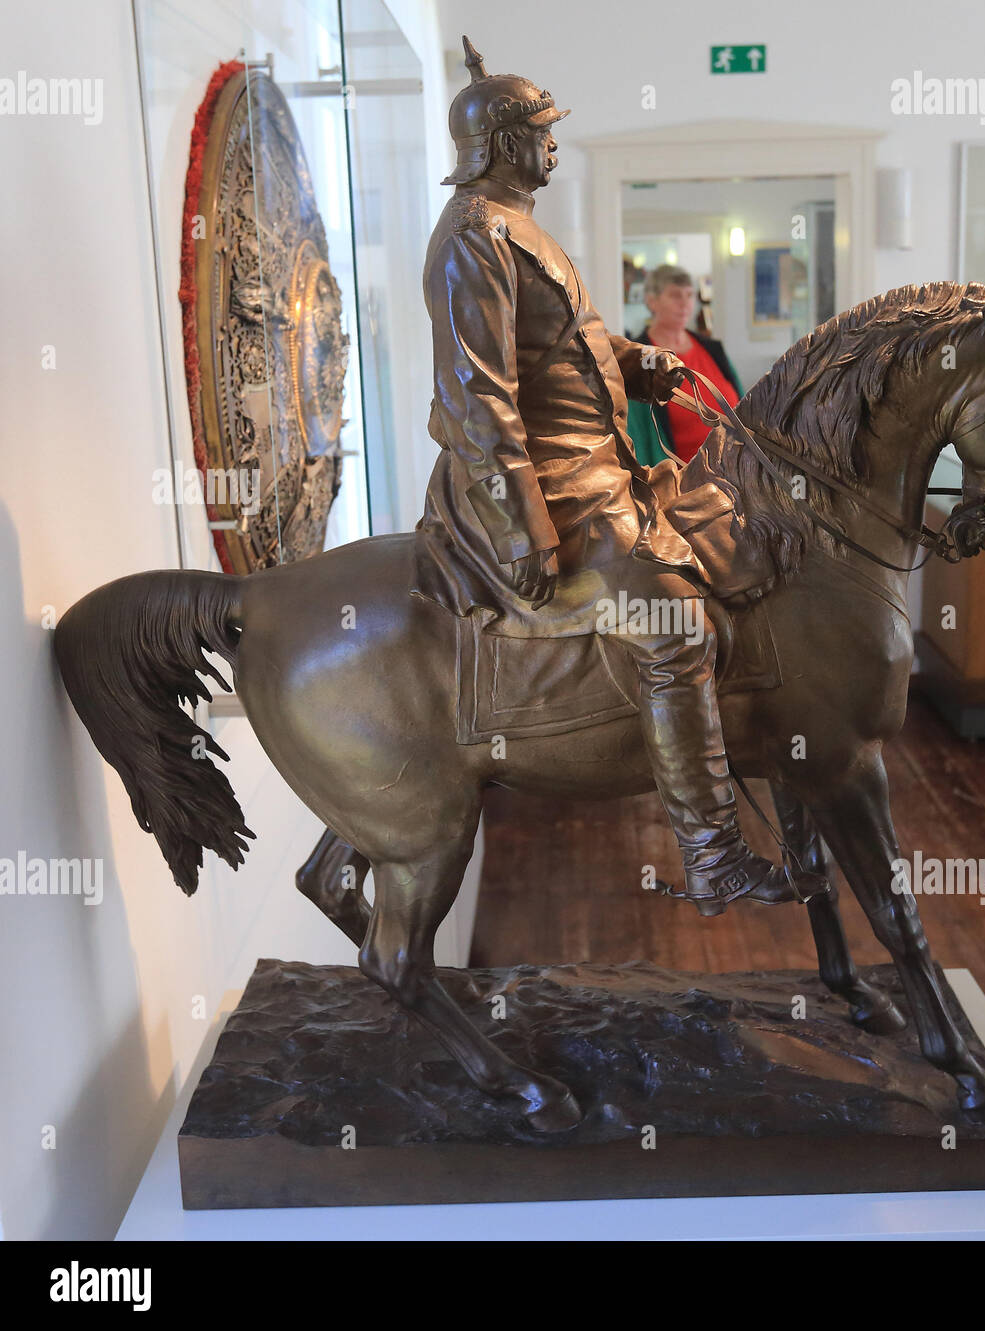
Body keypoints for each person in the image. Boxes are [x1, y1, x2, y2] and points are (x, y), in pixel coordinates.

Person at [411, 38, 804, 916]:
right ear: (501, 143)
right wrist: (523, 528)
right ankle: (713, 854)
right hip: (548, 483)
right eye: (540, 132)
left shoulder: (518, 224)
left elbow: (566, 351)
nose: (551, 146)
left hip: (597, 464)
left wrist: (637, 363)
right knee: (674, 628)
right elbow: (476, 394)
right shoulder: (474, 235)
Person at [626, 265, 744, 466]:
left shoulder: (712, 348)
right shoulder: (640, 359)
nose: (684, 303)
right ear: (652, 301)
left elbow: (743, 408)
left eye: (689, 295)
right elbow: (637, 438)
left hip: (736, 473)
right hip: (680, 484)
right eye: (675, 295)